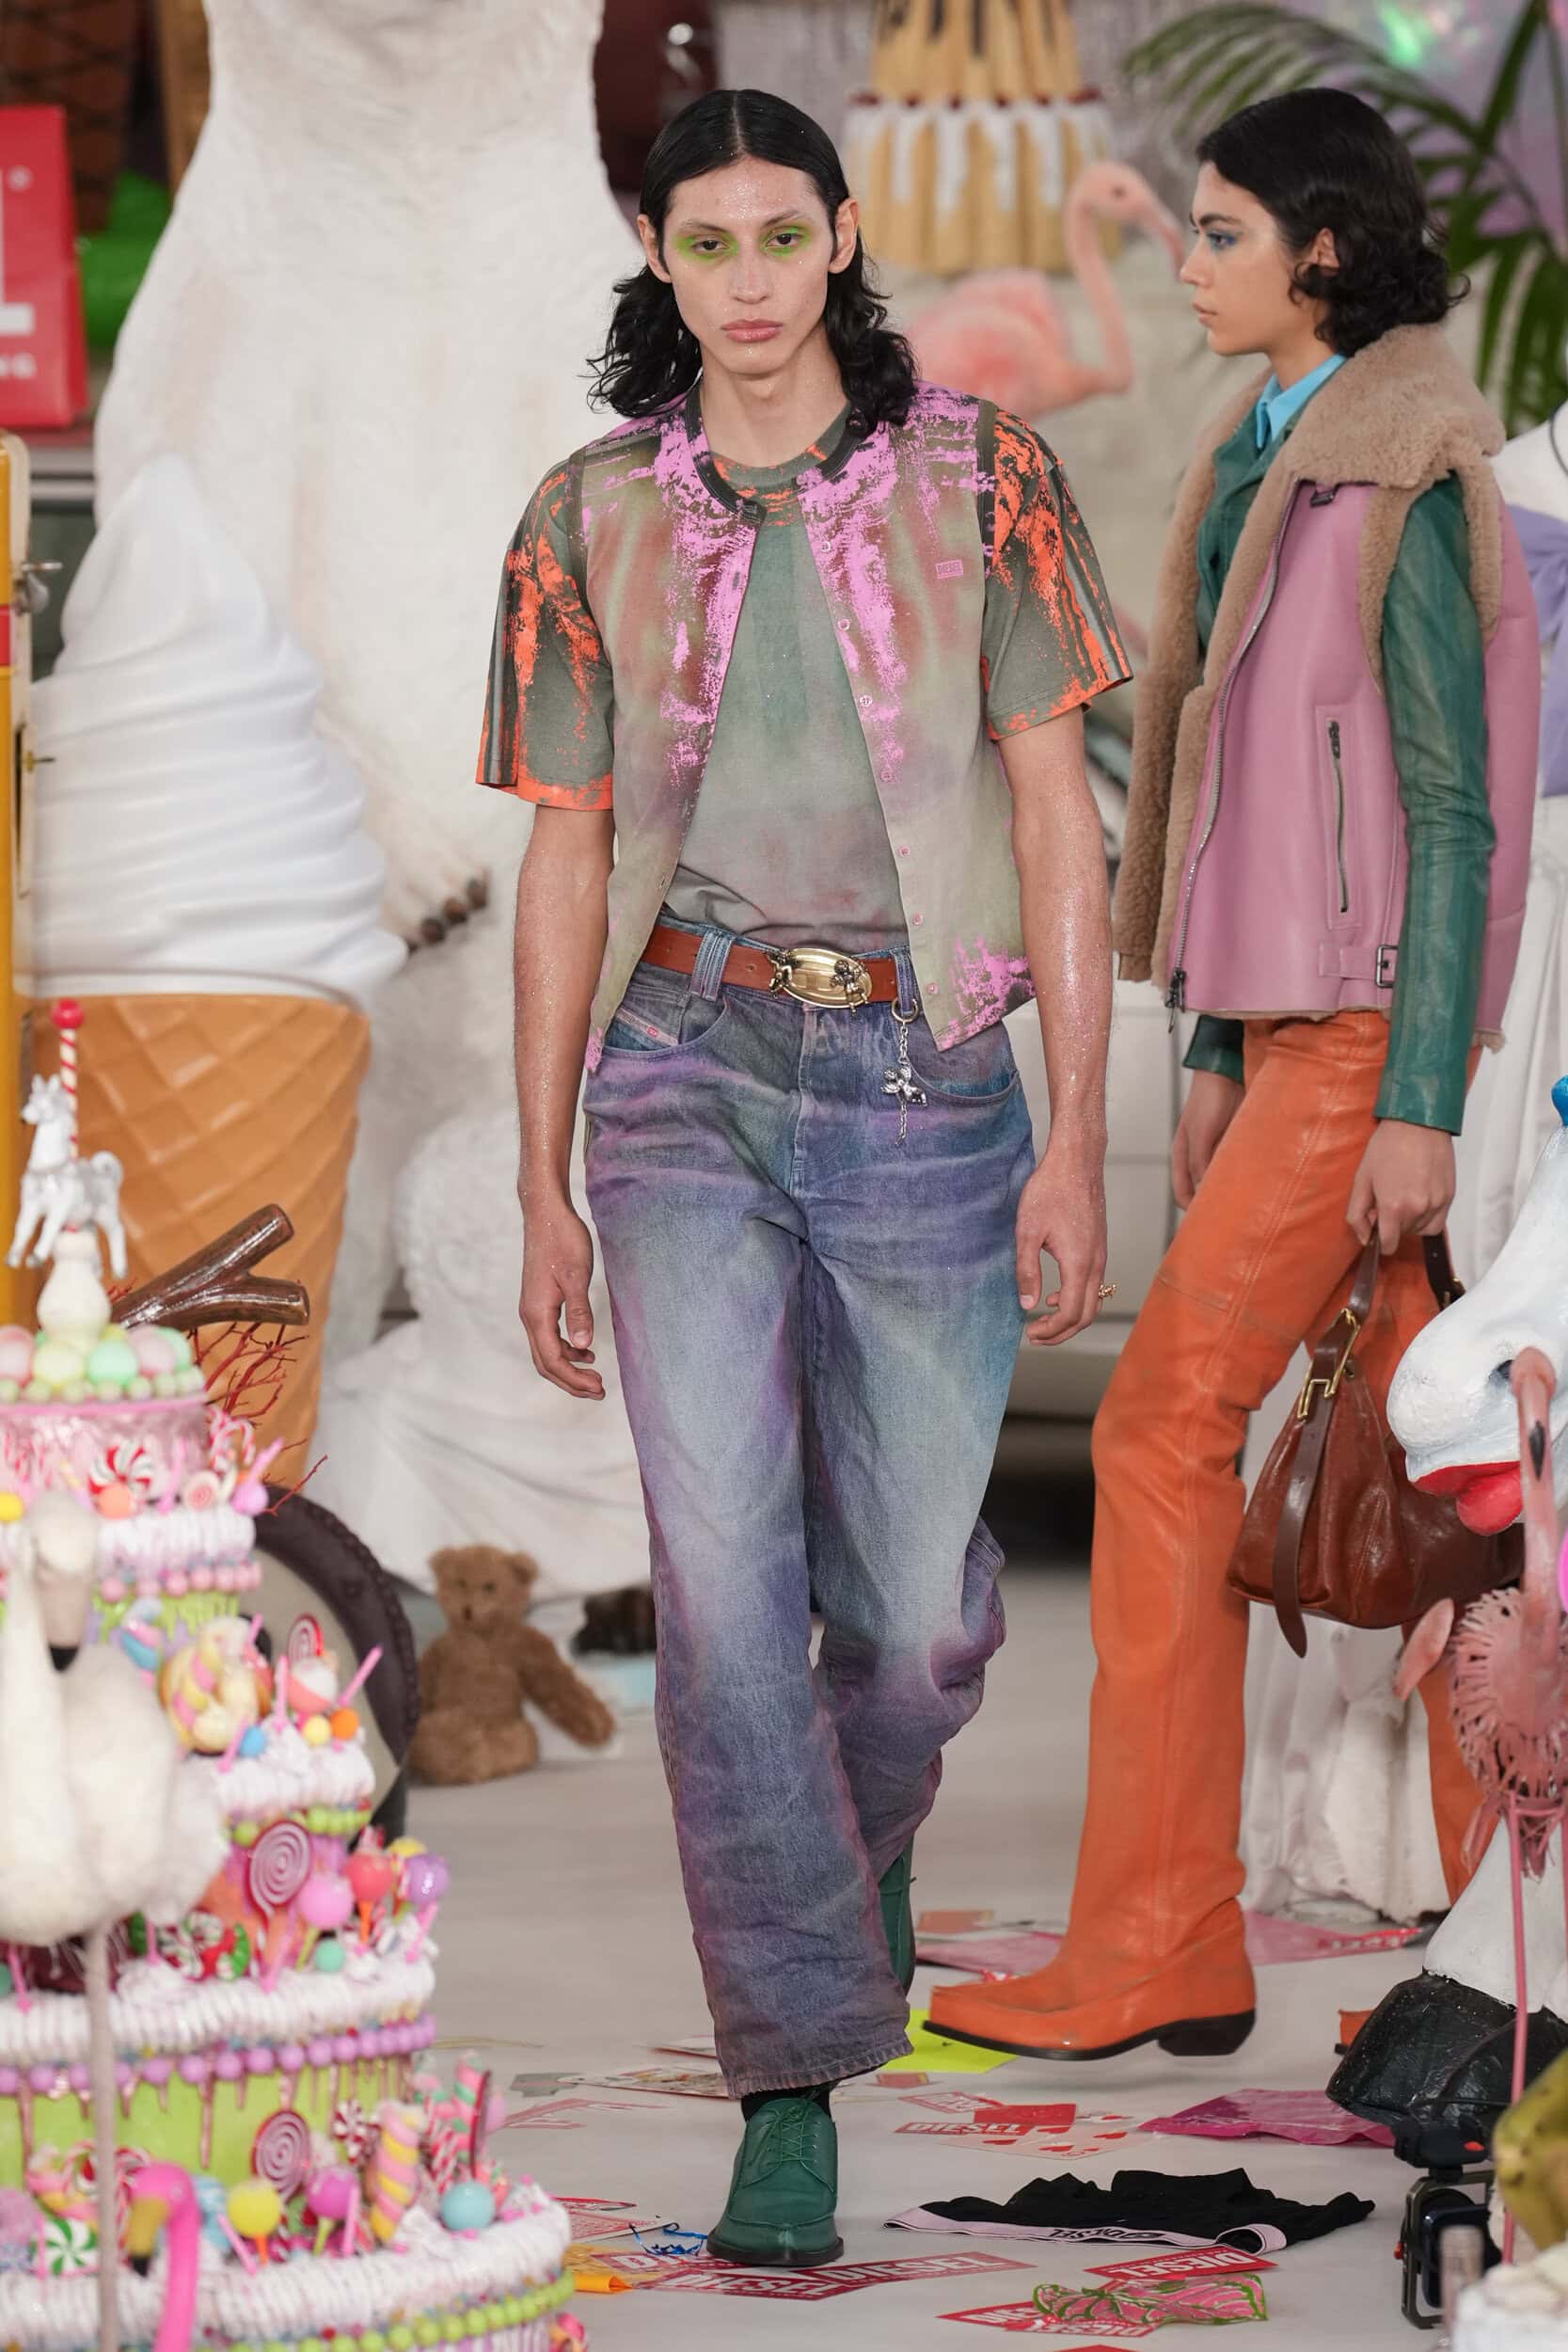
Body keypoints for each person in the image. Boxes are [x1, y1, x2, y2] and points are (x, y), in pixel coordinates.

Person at [478, 87, 1129, 2260]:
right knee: (726, 1592)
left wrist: (1076, 1129)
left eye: (782, 237)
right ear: (658, 258)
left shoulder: (984, 479)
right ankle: (789, 2074)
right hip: (683, 1065)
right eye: (708, 242)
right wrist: (545, 1172)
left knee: (918, 1616)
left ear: (841, 240)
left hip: (928, 1075)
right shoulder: (587, 512)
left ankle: (851, 1845)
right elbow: (564, 853)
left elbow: (1056, 810)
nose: (748, 281)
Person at [929, 87, 1539, 2064]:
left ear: (1322, 252)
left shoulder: (1400, 469)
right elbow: (1230, 791)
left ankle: (1162, 1938)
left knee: (1160, 1429)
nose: (1187, 265)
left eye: (1219, 233)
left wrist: (1420, 1096)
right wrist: (1206, 1034)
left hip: (1365, 1036)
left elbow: (1453, 808)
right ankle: (1467, 1962)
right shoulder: (1267, 455)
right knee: (1443, 1485)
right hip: (1283, 1030)